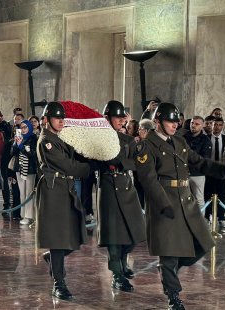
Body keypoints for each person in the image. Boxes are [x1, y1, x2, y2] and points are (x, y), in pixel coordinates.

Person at [134, 102, 225, 309]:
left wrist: (218, 169)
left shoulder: (179, 142)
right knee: (168, 252)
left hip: (185, 201)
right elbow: (148, 179)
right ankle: (173, 296)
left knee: (204, 243)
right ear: (157, 122)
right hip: (164, 202)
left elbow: (198, 161)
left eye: (176, 121)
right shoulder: (146, 146)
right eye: (170, 121)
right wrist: (163, 204)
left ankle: (169, 270)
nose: (175, 125)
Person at [36, 101, 90, 301]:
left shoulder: (59, 138)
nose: (61, 122)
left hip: (65, 189)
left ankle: (52, 258)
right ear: (47, 120)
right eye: (57, 118)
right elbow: (67, 165)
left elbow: (74, 155)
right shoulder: (46, 141)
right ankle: (59, 283)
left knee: (74, 234)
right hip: (53, 191)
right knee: (58, 239)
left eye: (62, 118)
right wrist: (88, 168)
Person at [94, 100, 147, 292]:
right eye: (118, 117)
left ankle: (124, 261)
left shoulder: (127, 140)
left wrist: (122, 162)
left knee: (134, 232)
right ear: (107, 118)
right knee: (114, 236)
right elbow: (103, 160)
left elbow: (135, 162)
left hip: (126, 186)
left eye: (123, 117)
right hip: (108, 187)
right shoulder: (99, 139)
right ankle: (117, 274)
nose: (122, 120)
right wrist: (122, 161)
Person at [183, 116, 212, 216]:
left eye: (197, 124)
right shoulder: (183, 137)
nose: (193, 125)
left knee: (199, 199)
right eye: (192, 123)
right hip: (183, 173)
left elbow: (204, 158)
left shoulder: (206, 140)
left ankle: (201, 224)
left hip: (198, 174)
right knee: (184, 199)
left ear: (202, 125)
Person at [204, 117, 225, 229]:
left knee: (222, 195)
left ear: (222, 126)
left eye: (219, 125)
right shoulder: (206, 138)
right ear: (211, 125)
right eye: (215, 124)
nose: (217, 127)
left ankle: (221, 218)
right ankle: (207, 215)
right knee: (208, 194)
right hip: (209, 171)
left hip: (221, 172)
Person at [12, 119, 37, 225]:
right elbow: (12, 153)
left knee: (29, 193)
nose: (22, 129)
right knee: (22, 193)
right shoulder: (19, 138)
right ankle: (23, 215)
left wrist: (22, 146)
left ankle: (30, 216)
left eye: (24, 127)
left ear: (29, 127)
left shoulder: (33, 138)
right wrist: (16, 143)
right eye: (21, 127)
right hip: (20, 168)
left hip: (30, 169)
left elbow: (33, 154)